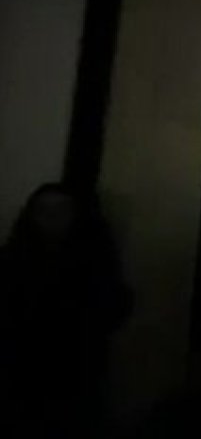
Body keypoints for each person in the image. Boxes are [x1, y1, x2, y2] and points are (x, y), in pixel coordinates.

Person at [0, 183, 132, 436]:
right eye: (43, 210)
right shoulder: (11, 263)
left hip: (75, 382)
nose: (51, 217)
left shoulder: (95, 264)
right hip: (19, 381)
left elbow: (113, 308)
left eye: (61, 210)